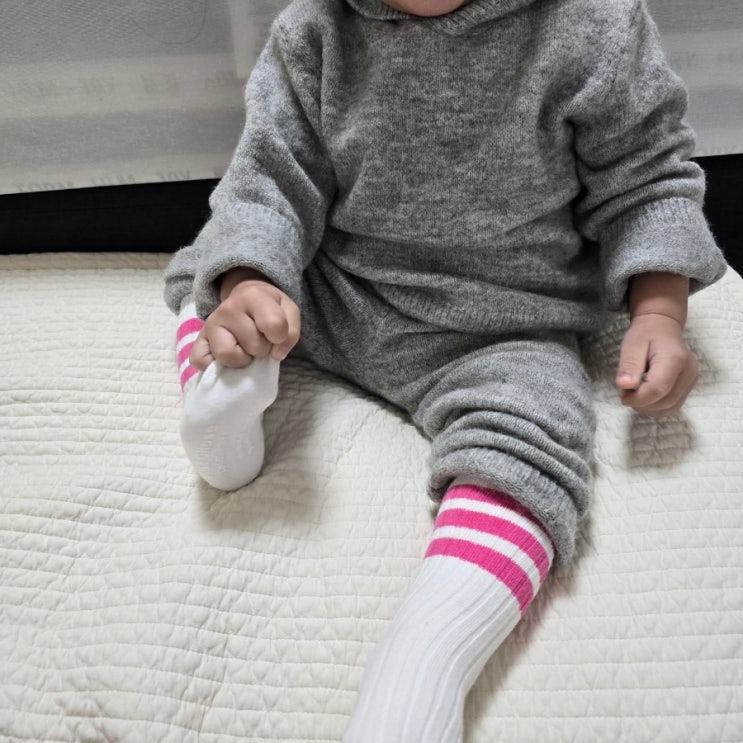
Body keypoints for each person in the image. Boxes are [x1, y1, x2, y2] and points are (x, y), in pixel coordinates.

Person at [164, 0, 727, 739]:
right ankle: (224, 412)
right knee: (208, 278)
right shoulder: (314, 30)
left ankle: (425, 661)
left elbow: (647, 179)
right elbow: (269, 182)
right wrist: (249, 282)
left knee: (531, 448)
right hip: (336, 290)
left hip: (502, 325)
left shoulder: (595, 25)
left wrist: (657, 312)